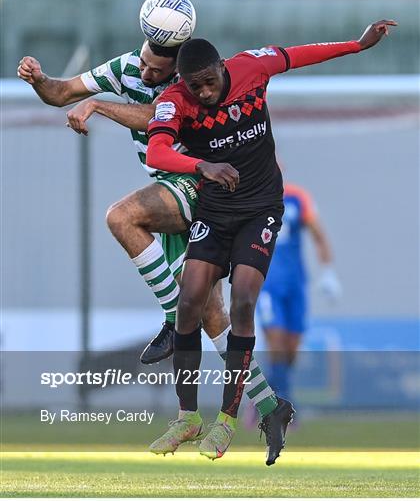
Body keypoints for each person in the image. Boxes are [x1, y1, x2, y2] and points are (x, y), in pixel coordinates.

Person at [17, 38, 288, 462]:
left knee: (122, 217)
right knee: (209, 313)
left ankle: (168, 320)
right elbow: (62, 92)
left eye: (157, 73)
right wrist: (39, 79)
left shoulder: (188, 86)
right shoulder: (126, 67)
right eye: (143, 66)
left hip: (196, 183)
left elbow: (153, 119)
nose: (146, 75)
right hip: (171, 185)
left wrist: (101, 106)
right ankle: (269, 404)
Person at [145, 20, 397, 462]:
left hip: (261, 206)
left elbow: (300, 53)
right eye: (193, 86)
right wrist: (202, 166)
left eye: (208, 82)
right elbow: (157, 151)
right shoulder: (174, 101)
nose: (202, 93)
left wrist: (357, 46)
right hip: (215, 210)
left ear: (222, 68)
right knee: (190, 300)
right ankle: (187, 416)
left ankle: (226, 422)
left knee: (243, 299)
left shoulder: (250, 68)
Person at [249, 182, 342, 426]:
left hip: (296, 284)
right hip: (267, 284)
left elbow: (318, 235)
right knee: (276, 341)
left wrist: (328, 271)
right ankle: (284, 407)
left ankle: (261, 397)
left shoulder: (297, 197)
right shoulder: (251, 195)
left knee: (291, 350)